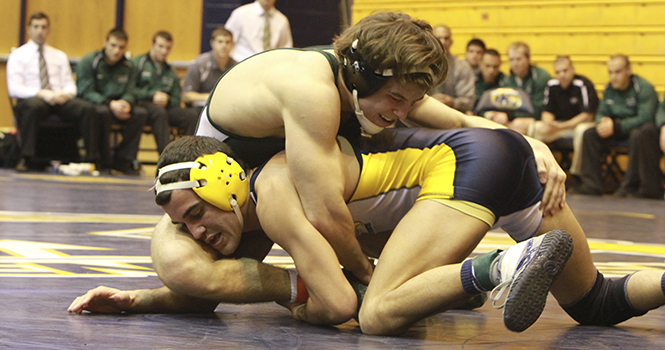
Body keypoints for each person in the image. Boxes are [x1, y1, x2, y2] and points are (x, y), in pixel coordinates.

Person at [69, 130, 665, 335]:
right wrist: (139, 300)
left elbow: (339, 305)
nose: (196, 233)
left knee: (377, 313)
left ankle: (502, 266)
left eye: (195, 214)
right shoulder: (263, 197)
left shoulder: (275, 192)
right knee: (597, 305)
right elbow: (218, 288)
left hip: (463, 167)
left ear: (226, 181)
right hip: (491, 161)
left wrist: (288, 292)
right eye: (183, 227)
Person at [195, 11, 566, 286]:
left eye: (412, 101)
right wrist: (368, 277)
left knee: (397, 241)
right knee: (189, 275)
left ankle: (441, 281)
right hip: (214, 189)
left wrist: (529, 142)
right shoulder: (312, 91)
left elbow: (458, 120)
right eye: (396, 100)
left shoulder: (377, 79)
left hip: (270, 187)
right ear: (360, 79)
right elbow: (323, 214)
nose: (403, 112)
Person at [6, 12, 98, 171]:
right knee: (34, 107)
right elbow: (15, 88)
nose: (40, 31)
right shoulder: (18, 55)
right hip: (33, 99)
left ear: (48, 30)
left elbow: (71, 85)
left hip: (58, 99)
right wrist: (41, 93)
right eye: (36, 27)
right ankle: (27, 157)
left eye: (43, 27)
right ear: (28, 29)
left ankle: (90, 158)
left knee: (87, 109)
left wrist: (65, 94)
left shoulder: (59, 56)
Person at [571, 55, 659, 196]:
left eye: (618, 72)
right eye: (610, 72)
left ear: (628, 70)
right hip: (614, 129)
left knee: (639, 134)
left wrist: (617, 126)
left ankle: (629, 187)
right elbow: (601, 112)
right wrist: (602, 123)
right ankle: (591, 185)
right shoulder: (609, 88)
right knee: (589, 134)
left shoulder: (643, 87)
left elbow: (646, 117)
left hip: (634, 129)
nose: (613, 77)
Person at [77, 28, 148, 175]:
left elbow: (131, 90)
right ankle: (102, 160)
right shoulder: (89, 61)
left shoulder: (129, 66)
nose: (117, 50)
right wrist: (110, 104)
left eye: (121, 47)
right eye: (113, 45)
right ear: (105, 43)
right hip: (99, 104)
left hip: (119, 105)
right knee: (102, 113)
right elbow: (85, 91)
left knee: (140, 113)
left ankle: (123, 159)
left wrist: (126, 103)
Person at [531, 56, 599, 181]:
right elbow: (547, 111)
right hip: (560, 126)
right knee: (535, 128)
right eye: (558, 72)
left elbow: (588, 115)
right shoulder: (552, 85)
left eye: (565, 70)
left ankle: (577, 174)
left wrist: (560, 126)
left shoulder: (583, 84)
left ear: (573, 70)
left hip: (579, 125)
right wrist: (548, 124)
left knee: (582, 131)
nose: (562, 75)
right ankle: (536, 171)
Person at [181, 27, 237, 119]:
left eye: (227, 42)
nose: (224, 46)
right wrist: (211, 98)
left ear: (232, 45)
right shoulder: (199, 64)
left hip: (227, 108)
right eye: (220, 42)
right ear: (212, 43)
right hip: (200, 108)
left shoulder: (236, 67)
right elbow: (187, 95)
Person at [498, 42, 551, 135]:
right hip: (515, 120)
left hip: (538, 119)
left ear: (528, 59)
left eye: (518, 59)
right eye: (511, 60)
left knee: (517, 126)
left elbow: (539, 108)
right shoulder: (507, 80)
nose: (515, 64)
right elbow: (504, 105)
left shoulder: (541, 77)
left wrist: (511, 115)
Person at [224, 0, 293, 62]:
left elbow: (286, 49)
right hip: (242, 64)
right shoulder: (240, 14)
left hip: (269, 67)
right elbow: (225, 39)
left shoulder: (282, 20)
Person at [429, 25, 475, 113]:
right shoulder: (422, 65)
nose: (443, 42)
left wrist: (452, 102)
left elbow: (468, 101)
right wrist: (430, 101)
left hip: (454, 114)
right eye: (439, 38)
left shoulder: (462, 67)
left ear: (451, 41)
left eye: (446, 38)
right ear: (432, 41)